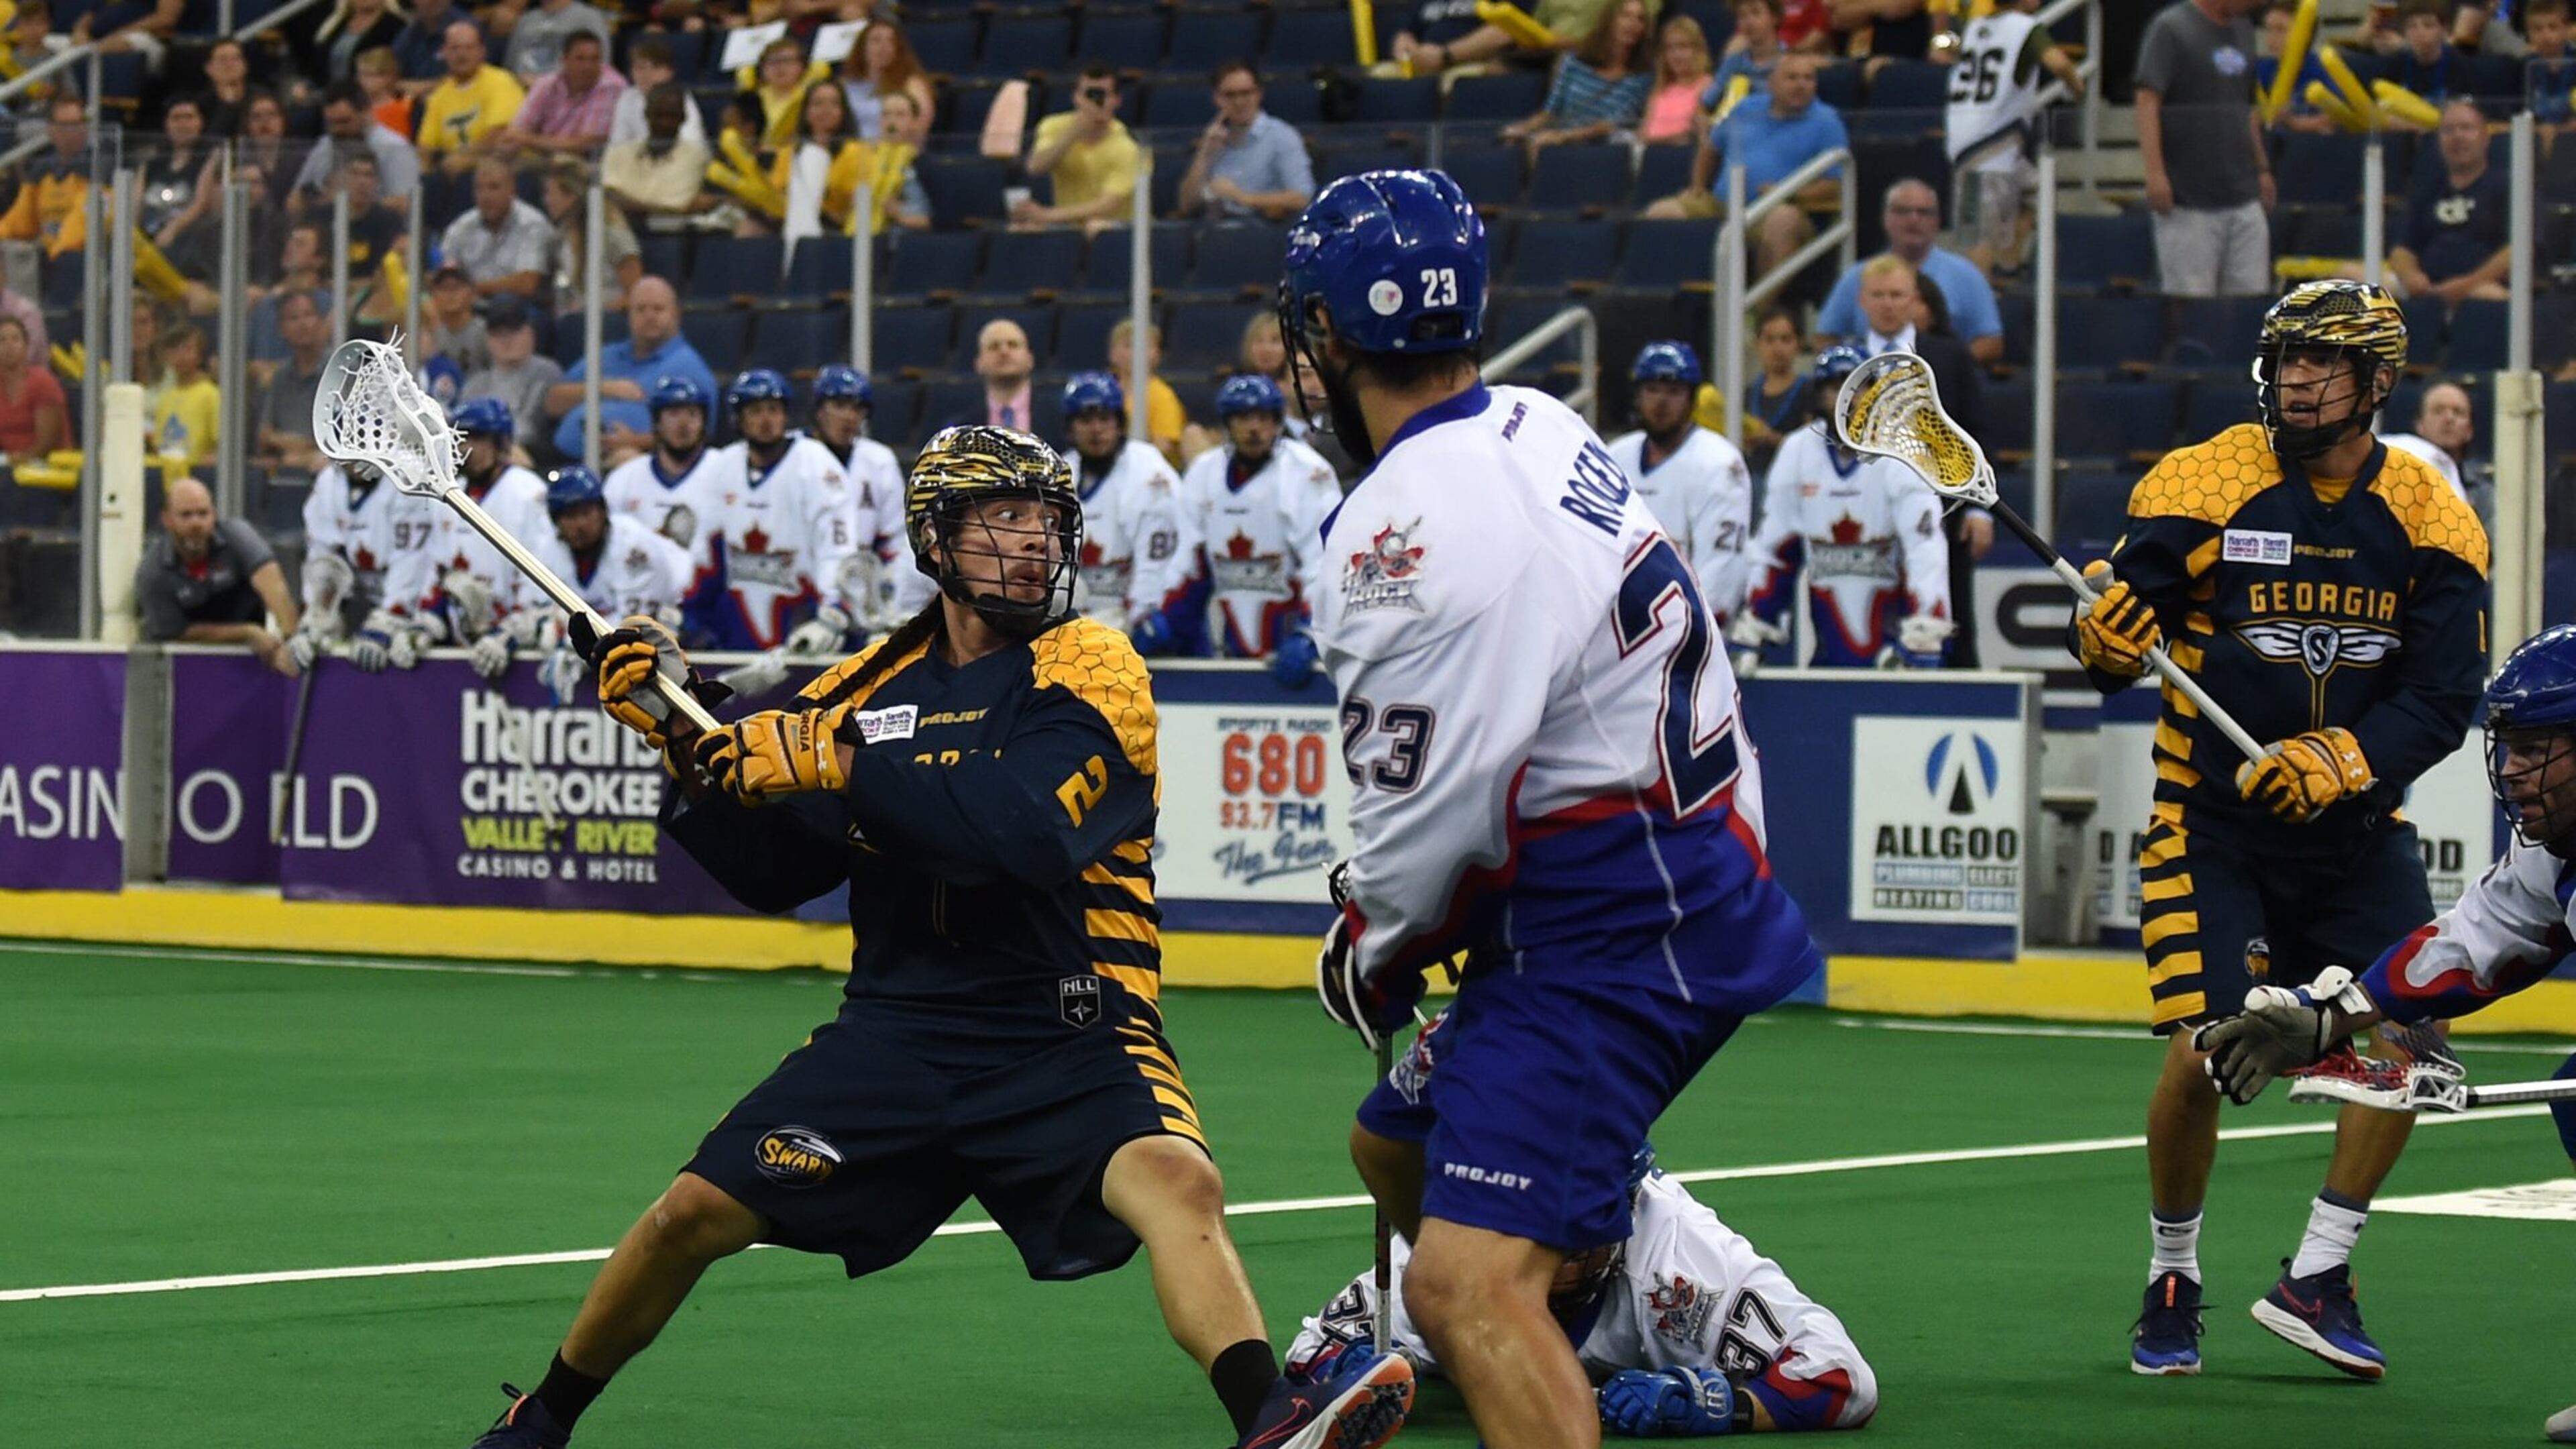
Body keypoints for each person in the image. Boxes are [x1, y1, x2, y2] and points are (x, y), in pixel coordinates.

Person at [467, 425, 1417, 1449]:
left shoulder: (1094, 667)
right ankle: (540, 1421)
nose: (1033, 544)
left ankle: (1274, 1424)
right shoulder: (867, 685)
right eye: (1002, 519)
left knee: (1178, 1178)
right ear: (934, 539)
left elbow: (1019, 835)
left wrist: (831, 761)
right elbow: (777, 871)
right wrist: (678, 729)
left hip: (1070, 1019)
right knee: (688, 1214)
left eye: (1046, 521)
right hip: (899, 1029)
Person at [1279, 167, 1824, 1449]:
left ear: (1337, 334)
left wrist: (1376, 941)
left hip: (1619, 918)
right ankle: (1552, 1330)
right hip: (1673, 859)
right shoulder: (1537, 420)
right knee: (1393, 1146)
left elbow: (1441, 811)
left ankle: (1516, 1321)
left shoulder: (1401, 526)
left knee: (1456, 1284)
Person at [2065, 280, 2487, 1381]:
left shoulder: (2437, 519)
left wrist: (2340, 760)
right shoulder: (2202, 479)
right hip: (2210, 826)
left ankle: (2319, 1275)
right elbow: (2123, 637)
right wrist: (2103, 641)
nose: (2296, 378)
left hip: (2355, 832)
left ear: (2378, 384)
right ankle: (2173, 1272)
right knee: (2206, 1057)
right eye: (2285, 358)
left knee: (2408, 1047)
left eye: (2323, 363)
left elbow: (2444, 697)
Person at [2189, 621, 2576, 1446]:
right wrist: (2334, 1016)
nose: (2512, 767)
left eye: (2539, 745)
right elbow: (2473, 944)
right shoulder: (2554, 853)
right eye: (2509, 745)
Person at [1287, 1125, 1876, 1437]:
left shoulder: (1684, 1264)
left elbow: (1839, 1376)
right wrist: (1353, 1374)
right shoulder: (1452, 1250)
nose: (1559, 1257)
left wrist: (1722, 1406)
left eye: (1577, 1230)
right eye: (1537, 1228)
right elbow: (1313, 1350)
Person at [1731, 346, 1952, 669]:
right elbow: (1775, 550)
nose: (1848, 399)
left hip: (1896, 655)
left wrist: (1926, 628)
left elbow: (1925, 548)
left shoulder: (1903, 452)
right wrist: (1756, 621)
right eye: (1836, 389)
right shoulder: (1798, 450)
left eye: (1858, 387)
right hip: (1826, 654)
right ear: (1818, 396)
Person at [1136, 373, 1340, 684]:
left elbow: (1324, 566)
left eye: (1263, 417)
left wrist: (1311, 634)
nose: (1254, 428)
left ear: (1277, 422)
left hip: (1297, 650)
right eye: (1244, 418)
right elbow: (1189, 566)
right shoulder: (1205, 474)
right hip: (1233, 651)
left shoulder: (1308, 473)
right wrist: (1165, 618)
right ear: (1227, 424)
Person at [682, 368, 864, 656]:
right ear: (739, 419)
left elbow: (837, 550)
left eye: (774, 410)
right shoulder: (723, 467)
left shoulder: (817, 465)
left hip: (804, 626)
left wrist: (832, 612)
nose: (767, 420)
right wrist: (690, 614)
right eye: (756, 411)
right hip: (740, 627)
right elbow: (707, 554)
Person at [380, 396, 553, 682]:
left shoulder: (528, 493)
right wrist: (427, 624)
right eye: (460, 439)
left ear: (502, 444)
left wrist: (510, 634)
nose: (466, 448)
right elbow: (439, 572)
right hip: (461, 645)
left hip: (516, 649)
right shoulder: (448, 496)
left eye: (478, 439)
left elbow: (543, 576)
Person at [1642, 50, 1847, 277]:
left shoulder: (1827, 122)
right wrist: (1698, 186)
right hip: (1722, 204)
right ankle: (1669, 304)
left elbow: (1835, 184)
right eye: (1793, 78)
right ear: (1772, 83)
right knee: (1661, 213)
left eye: (1808, 79)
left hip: (1775, 210)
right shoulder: (1746, 108)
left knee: (1783, 221)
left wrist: (1790, 194)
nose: (1801, 85)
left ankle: (1761, 311)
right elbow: (1711, 147)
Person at [506, 464, 692, 696]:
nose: (580, 524)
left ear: (603, 511)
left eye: (586, 513)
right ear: (556, 522)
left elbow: (634, 625)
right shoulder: (546, 550)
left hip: (682, 611)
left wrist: (570, 639)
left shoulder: (635, 547)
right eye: (570, 516)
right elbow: (532, 612)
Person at [1605, 341, 1756, 626]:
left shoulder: (1719, 463)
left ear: (1692, 399)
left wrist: (1684, 628)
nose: (1661, 402)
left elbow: (1722, 570)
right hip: (1621, 629)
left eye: (1674, 392)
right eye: (1652, 390)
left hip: (1690, 633)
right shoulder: (1615, 457)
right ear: (1638, 395)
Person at [2135, 0, 2275, 299]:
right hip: (2188, 199)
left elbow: (2246, 106)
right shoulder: (2171, 28)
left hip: (2242, 194)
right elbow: (2148, 100)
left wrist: (2262, 167)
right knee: (2192, 307)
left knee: (2249, 306)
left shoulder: (2245, 30)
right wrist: (2155, 172)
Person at [1942, 0, 2085, 276]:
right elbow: (2058, 63)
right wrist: (2076, 87)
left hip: (1982, 135)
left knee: (2034, 192)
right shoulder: (2026, 28)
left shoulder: (1974, 27)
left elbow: (1949, 50)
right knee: (1977, 237)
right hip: (1984, 143)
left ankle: (2008, 270)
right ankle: (1982, 299)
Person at [1814, 179, 2006, 364]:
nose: (1913, 219)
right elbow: (1824, 338)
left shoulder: (1967, 275)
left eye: (1924, 212)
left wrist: (1948, 365)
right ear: (1885, 218)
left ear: (1938, 221)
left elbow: (1991, 342)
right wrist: (1856, 369)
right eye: (1902, 211)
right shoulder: (1856, 277)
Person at [135, 478, 304, 676]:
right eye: (186, 515)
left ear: (214, 515)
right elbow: (174, 632)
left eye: (203, 514)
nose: (196, 523)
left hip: (253, 661)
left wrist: (292, 641)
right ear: (167, 520)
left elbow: (271, 581)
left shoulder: (237, 534)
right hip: (188, 667)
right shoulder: (153, 572)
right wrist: (246, 633)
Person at [1059, 370, 1183, 633]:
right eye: (1085, 420)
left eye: (1105, 418)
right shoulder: (1060, 472)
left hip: (1134, 622)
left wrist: (1142, 621)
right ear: (1071, 428)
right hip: (1076, 626)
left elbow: (1156, 567)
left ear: (1120, 424)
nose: (1096, 429)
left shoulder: (1149, 472)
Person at [545, 276, 718, 464]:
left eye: (658, 309)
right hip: (563, 460)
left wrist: (634, 441)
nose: (649, 316)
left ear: (676, 314)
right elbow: (553, 403)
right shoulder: (606, 355)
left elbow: (699, 435)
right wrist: (604, 389)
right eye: (641, 309)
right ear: (629, 315)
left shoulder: (688, 367)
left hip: (641, 463)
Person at [291, 455, 429, 671]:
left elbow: (412, 558)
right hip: (365, 603)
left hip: (417, 610)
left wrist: (390, 620)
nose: (356, 458)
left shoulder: (408, 480)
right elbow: (324, 559)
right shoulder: (328, 483)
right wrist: (317, 616)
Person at [805, 364, 909, 627]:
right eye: (839, 405)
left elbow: (895, 542)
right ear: (819, 409)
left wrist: (884, 592)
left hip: (863, 601)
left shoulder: (879, 461)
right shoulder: (795, 458)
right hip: (803, 592)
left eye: (857, 408)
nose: (849, 416)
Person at [2383, 98, 2512, 305]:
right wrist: (2411, 276)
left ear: (2486, 137)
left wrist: (2467, 285)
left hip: (2482, 288)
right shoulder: (2426, 189)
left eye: (2467, 128)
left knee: (2492, 298)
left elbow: (2517, 251)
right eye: (2448, 130)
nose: (2457, 137)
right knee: (2349, 280)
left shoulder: (2507, 187)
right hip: (2425, 288)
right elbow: (2402, 248)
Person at [1500, 0, 1654, 163]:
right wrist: (1522, 129)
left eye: (1640, 19)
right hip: (1557, 140)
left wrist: (1563, 137)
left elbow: (1610, 125)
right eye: (1626, 16)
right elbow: (1549, 113)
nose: (1633, 24)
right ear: (1610, 20)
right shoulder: (1573, 62)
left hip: (1601, 150)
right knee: (1517, 145)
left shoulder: (1642, 78)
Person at [1173, 62, 1317, 222]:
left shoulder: (1282, 136)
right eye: (1230, 95)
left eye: (1246, 93)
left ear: (1259, 94)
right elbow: (1186, 205)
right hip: (1214, 230)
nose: (1239, 102)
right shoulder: (1213, 139)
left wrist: (1242, 197)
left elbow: (1302, 197)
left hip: (1261, 231)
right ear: (1217, 98)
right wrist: (1204, 154)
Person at [603, 373, 720, 555]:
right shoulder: (624, 479)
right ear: (657, 422)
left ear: (703, 423)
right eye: (673, 414)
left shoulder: (725, 471)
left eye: (692, 414)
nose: (683, 424)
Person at [1016, 62, 1141, 230]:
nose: (1096, 102)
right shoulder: (1053, 126)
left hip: (1117, 226)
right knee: (1022, 230)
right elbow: (1036, 167)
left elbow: (1108, 204)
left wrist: (1047, 215)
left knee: (1095, 227)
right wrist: (1073, 133)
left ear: (1116, 101)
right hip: (1067, 225)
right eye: (1089, 95)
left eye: (1102, 95)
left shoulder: (1126, 146)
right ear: (1076, 97)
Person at [460, 294, 567, 451]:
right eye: (498, 334)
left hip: (527, 457)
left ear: (530, 334)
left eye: (514, 331)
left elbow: (528, 430)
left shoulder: (546, 372)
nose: (506, 340)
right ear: (487, 339)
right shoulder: (475, 384)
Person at [420, 19, 527, 172]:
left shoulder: (501, 81)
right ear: (444, 52)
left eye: (469, 48)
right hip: (453, 172)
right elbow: (426, 149)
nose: (462, 55)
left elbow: (500, 135)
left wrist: (466, 160)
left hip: (499, 167)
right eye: (455, 48)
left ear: (482, 51)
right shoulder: (438, 97)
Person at [442, 156, 554, 299]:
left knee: (505, 301)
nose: (485, 196)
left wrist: (470, 288)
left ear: (512, 189)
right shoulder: (462, 226)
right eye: (479, 189)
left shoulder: (532, 224)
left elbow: (527, 284)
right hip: (470, 305)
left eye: (494, 187)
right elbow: (446, 274)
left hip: (522, 308)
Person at [603, 81, 717, 222]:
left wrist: (625, 201)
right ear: (646, 114)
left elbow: (675, 206)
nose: (665, 123)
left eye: (672, 116)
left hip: (670, 237)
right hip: (618, 231)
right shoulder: (619, 153)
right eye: (659, 115)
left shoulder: (696, 156)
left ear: (683, 118)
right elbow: (607, 196)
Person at [500, 29, 625, 158]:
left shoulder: (611, 86)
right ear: (564, 60)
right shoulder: (547, 84)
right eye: (580, 59)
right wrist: (519, 140)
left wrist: (528, 140)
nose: (588, 66)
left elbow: (586, 145)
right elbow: (517, 131)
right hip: (542, 159)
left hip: (584, 165)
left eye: (595, 59)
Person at [541, 158, 641, 314]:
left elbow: (635, 296)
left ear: (571, 195)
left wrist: (602, 311)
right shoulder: (560, 237)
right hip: (578, 319)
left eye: (551, 194)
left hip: (612, 320)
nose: (546, 201)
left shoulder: (613, 235)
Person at [0, 95, 94, 260]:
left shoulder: (98, 170)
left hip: (82, 260)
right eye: (66, 126)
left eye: (78, 124)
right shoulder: (41, 172)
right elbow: (19, 222)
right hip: (47, 258)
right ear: (52, 130)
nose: (73, 132)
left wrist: (56, 257)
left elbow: (80, 228)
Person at [2381, 378, 2489, 519]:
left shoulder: (2484, 493)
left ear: (2470, 429)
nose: (2449, 418)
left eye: (2458, 412)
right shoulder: (2393, 477)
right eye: (2438, 411)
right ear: (2420, 425)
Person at [254, 290, 334, 478]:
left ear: (321, 322)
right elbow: (265, 435)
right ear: (282, 329)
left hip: (325, 468)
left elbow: (340, 439)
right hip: (285, 466)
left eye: (309, 315)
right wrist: (298, 447)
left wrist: (301, 450)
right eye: (293, 318)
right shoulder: (281, 376)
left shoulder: (340, 371)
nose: (302, 324)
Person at [1738, 306, 1811, 474]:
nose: (1778, 349)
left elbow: (1813, 447)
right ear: (1757, 345)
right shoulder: (1747, 394)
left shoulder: (1808, 391)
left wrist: (1774, 440)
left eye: (1786, 340)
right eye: (1769, 340)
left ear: (1798, 344)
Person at [837, 17, 933, 141]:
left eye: (891, 41)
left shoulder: (912, 85)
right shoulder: (844, 84)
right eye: (876, 40)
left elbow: (919, 131)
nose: (883, 47)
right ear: (862, 47)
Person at [1109, 319, 1189, 466]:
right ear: (1113, 354)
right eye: (1129, 345)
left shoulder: (1162, 395)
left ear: (1156, 354)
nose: (1137, 351)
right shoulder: (1105, 392)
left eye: (1144, 346)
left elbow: (1164, 446)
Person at [609, 38, 706, 149]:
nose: (646, 74)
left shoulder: (681, 100)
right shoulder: (627, 98)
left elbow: (692, 144)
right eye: (640, 67)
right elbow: (617, 144)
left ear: (670, 72)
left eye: (655, 67)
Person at [150, 323, 221, 471]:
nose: (180, 356)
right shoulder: (166, 398)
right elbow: (159, 444)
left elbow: (220, 445)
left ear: (200, 355)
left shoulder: (211, 394)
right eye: (174, 350)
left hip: (198, 473)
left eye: (187, 349)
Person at [0, 314, 66, 461]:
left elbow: (47, 442)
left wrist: (20, 460)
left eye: (15, 339)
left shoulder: (43, 382)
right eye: (2, 340)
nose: (8, 346)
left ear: (26, 346)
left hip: (47, 465)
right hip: (7, 464)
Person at [1642, 15, 1716, 144]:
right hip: (1652, 157)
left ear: (1698, 50)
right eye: (1670, 48)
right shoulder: (1659, 90)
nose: (1676, 55)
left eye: (1683, 47)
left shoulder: (1707, 85)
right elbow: (1642, 135)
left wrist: (1658, 142)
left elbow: (1696, 135)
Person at [955, 318, 1038, 431]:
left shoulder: (1059, 418)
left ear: (1030, 359)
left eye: (1013, 345)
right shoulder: (962, 426)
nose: (1004, 352)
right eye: (994, 346)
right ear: (978, 363)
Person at [503, 0, 612, 84]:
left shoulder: (590, 18)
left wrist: (545, 85)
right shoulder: (526, 20)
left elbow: (601, 66)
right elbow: (510, 67)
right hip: (522, 91)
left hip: (568, 94)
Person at [424, 264, 493, 374]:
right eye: (444, 288)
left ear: (473, 293)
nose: (451, 294)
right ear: (434, 295)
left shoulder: (485, 333)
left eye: (457, 287)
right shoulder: (430, 335)